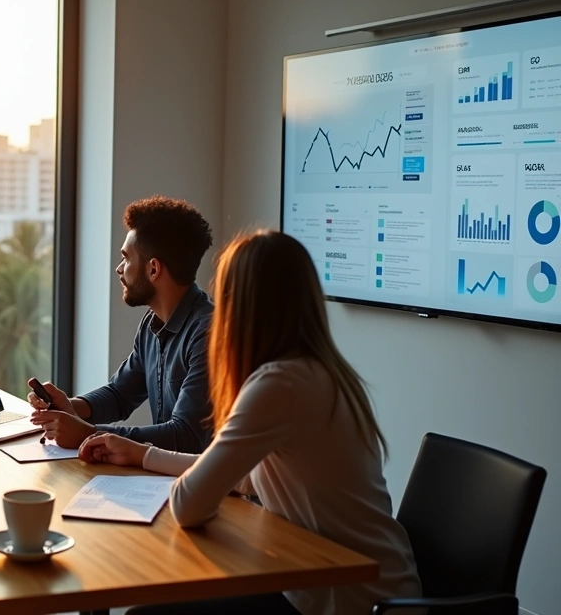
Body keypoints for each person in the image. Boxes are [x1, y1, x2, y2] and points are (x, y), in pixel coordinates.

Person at [79, 230, 421, 615]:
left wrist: (153, 459)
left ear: (239, 306)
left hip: (351, 599)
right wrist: (143, 455)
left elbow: (189, 505)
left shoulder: (279, 384)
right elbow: (249, 479)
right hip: (360, 583)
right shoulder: (319, 371)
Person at [29, 196, 215, 452]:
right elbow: (120, 395)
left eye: (126, 258)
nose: (119, 268)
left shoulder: (209, 334)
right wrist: (69, 407)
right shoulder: (152, 324)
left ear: (153, 269)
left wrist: (89, 434)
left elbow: (187, 436)